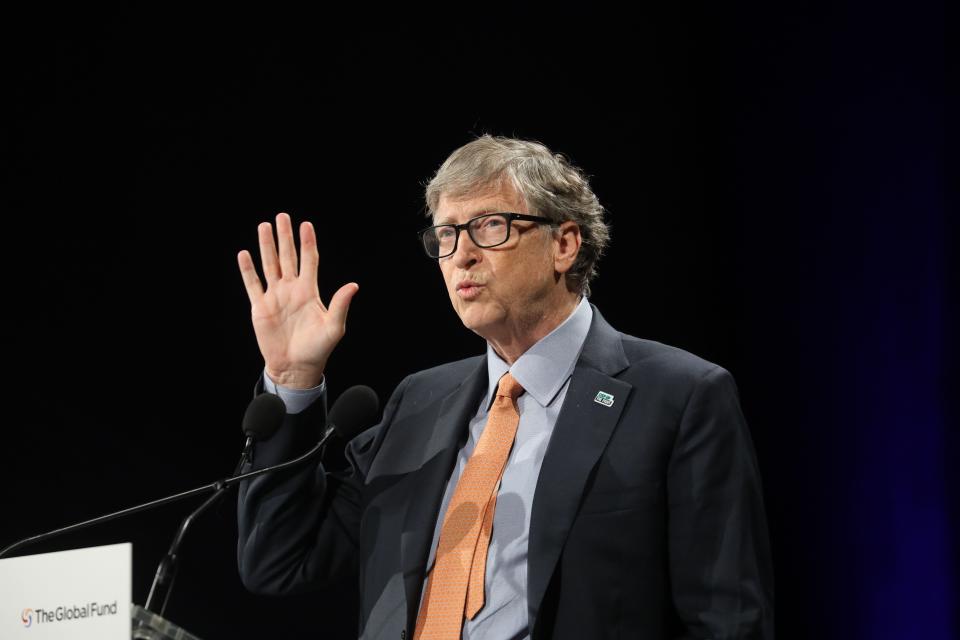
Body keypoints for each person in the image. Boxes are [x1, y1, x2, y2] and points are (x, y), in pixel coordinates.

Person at [235, 135, 774, 639]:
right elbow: (281, 559)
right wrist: (291, 380)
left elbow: (726, 619)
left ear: (563, 243)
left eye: (490, 226)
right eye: (446, 235)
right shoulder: (418, 403)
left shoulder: (680, 397)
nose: (461, 255)